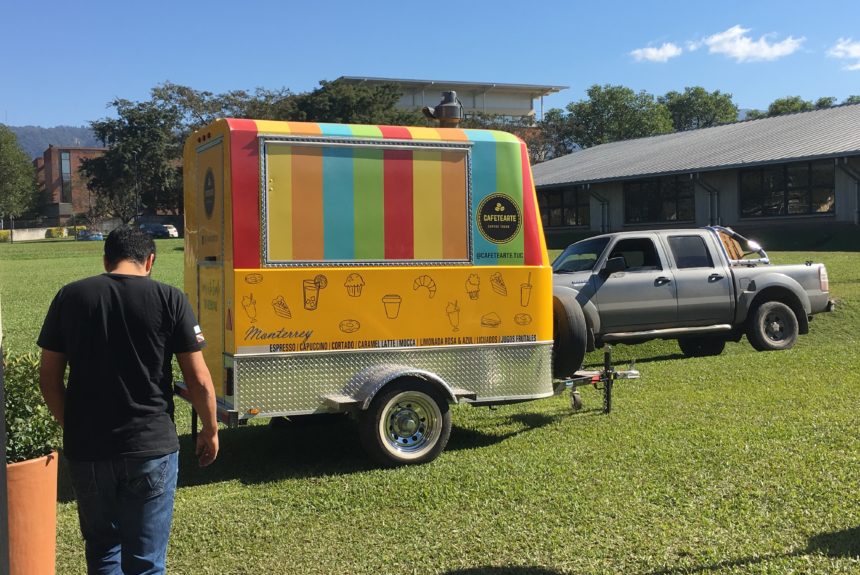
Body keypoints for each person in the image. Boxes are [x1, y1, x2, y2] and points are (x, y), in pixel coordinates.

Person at [38, 226, 218, 575]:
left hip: (88, 447)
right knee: (146, 561)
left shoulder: (70, 297)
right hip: (150, 447)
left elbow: (49, 378)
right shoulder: (170, 298)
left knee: (103, 550)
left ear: (105, 259)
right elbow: (199, 380)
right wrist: (210, 430)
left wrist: (71, 424)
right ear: (150, 260)